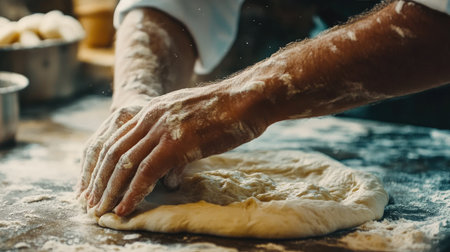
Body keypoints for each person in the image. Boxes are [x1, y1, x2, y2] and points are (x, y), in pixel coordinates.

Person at [77, 0, 450, 217]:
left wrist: (242, 98)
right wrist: (138, 95)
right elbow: (171, 5)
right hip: (338, 92)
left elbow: (439, 23)